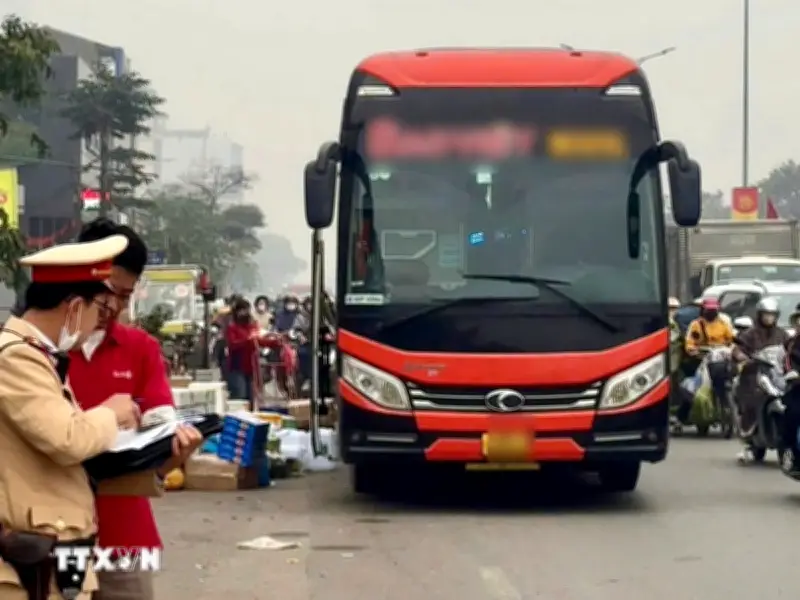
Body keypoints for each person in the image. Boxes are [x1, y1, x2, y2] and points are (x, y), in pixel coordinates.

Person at [0, 236, 158, 600]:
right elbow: (67, 438)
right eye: (98, 309)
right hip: (34, 557)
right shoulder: (16, 358)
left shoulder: (40, 356)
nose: (98, 322)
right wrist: (111, 413)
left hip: (60, 548)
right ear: (73, 307)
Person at [69, 219, 204, 600]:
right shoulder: (42, 350)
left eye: (126, 297)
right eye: (109, 292)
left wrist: (176, 453)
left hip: (126, 536)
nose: (114, 307)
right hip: (59, 533)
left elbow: (159, 437)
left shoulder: (141, 349)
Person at [732, 297, 789, 463]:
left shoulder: (782, 334)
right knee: (752, 397)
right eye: (766, 314)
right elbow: (738, 349)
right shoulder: (750, 333)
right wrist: (743, 357)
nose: (769, 318)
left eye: (772, 315)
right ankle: (747, 438)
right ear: (759, 315)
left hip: (777, 374)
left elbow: (790, 350)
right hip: (754, 373)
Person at [226, 297, 266, 408]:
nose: (244, 313)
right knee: (240, 396)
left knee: (251, 397)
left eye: (246, 309)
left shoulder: (253, 325)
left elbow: (260, 340)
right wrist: (247, 340)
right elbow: (233, 344)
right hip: (237, 365)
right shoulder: (232, 327)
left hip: (252, 366)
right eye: (241, 310)